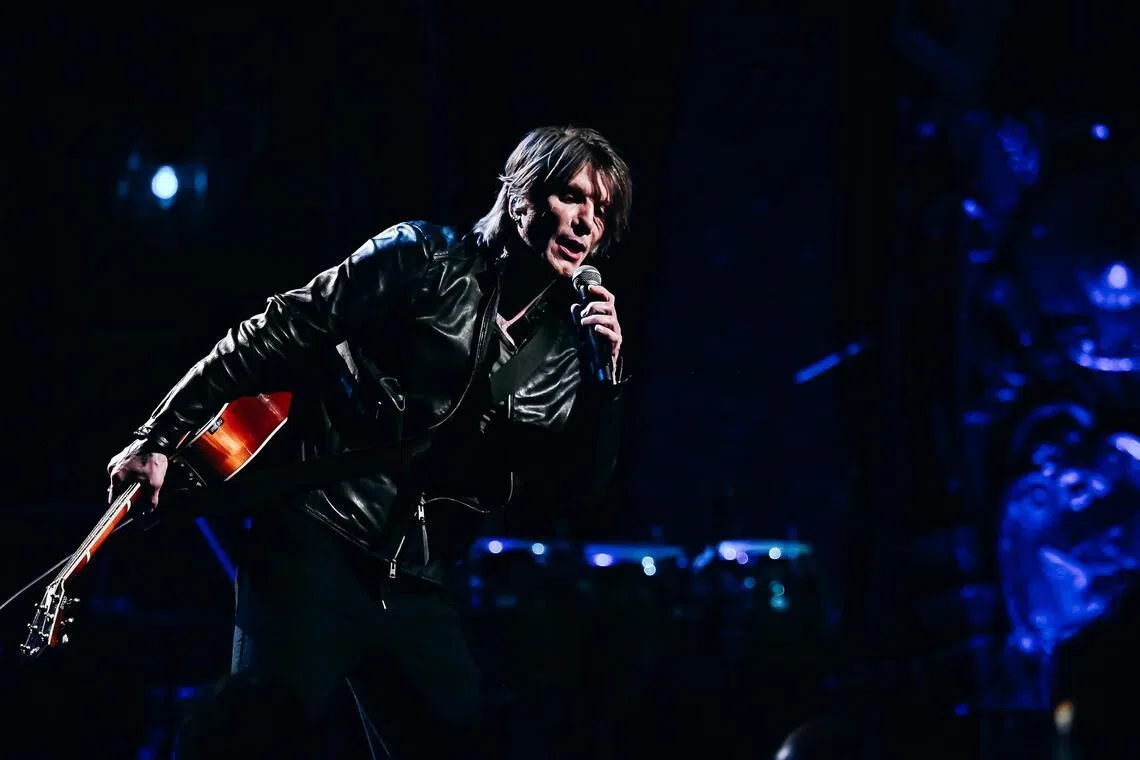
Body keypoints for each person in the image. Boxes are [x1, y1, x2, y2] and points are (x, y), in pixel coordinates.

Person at [105, 125, 633, 758]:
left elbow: (575, 492)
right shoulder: (422, 257)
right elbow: (277, 330)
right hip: (316, 540)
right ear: (521, 196)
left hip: (416, 581)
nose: (587, 222)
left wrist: (605, 388)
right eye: (572, 197)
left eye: (602, 211)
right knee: (256, 736)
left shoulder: (567, 352)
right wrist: (159, 435)